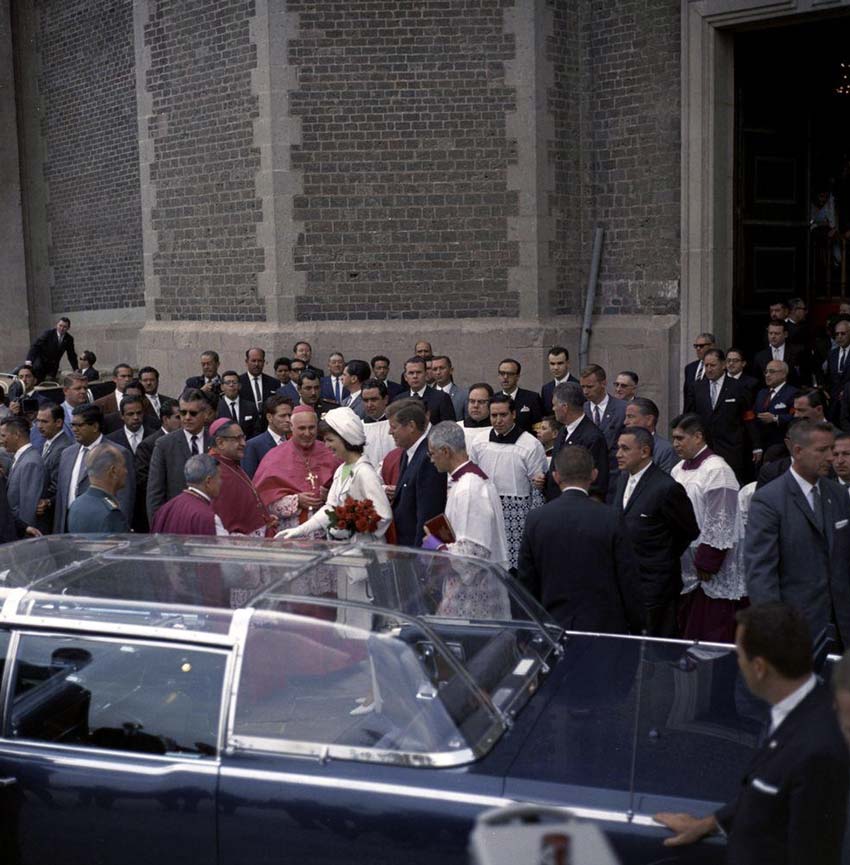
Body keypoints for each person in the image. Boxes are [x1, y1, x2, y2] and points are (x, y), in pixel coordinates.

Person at [655, 602, 849, 865]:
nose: (738, 661)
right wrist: (707, 824)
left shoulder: (818, 750)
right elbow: (767, 794)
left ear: (759, 668)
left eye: (739, 655)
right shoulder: (791, 709)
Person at [745, 419, 850, 650]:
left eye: (832, 450)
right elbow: (761, 574)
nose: (831, 458)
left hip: (842, 629)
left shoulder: (839, 495)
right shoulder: (769, 500)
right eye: (822, 450)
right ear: (798, 451)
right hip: (796, 632)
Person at [518, 445, 644, 634]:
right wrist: (638, 626)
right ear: (593, 475)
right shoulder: (610, 518)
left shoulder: (536, 519)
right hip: (604, 630)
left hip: (554, 628)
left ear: (556, 476)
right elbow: (628, 579)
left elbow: (527, 581)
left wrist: (527, 631)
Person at [614, 427, 699, 636]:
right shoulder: (623, 479)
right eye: (618, 448)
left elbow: (688, 530)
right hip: (626, 581)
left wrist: (659, 556)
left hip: (655, 584)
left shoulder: (666, 487)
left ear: (644, 451)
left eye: (625, 449)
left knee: (656, 647)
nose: (618, 454)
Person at [670, 413, 745, 642]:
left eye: (680, 438)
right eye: (673, 438)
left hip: (708, 567)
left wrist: (707, 560)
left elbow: (721, 519)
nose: (675, 444)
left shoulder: (717, 470)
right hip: (684, 564)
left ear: (698, 437)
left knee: (711, 633)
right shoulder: (678, 469)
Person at [279, 407, 392, 540]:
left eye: (330, 440)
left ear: (346, 439)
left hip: (366, 552)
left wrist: (349, 528)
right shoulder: (342, 469)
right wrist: (301, 529)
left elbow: (384, 515)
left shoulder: (364, 473)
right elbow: (331, 508)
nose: (326, 445)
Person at [469, 395, 547, 570]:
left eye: (503, 415)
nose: (498, 420)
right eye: (493, 415)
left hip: (517, 516)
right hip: (486, 510)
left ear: (513, 414)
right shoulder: (479, 441)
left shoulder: (530, 445)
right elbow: (473, 477)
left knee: (516, 566)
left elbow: (537, 487)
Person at [423, 421, 509, 565]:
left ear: (445, 451)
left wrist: (436, 546)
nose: (431, 460)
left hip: (479, 584)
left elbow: (472, 553)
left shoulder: (469, 487)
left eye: (432, 453)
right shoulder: (465, 481)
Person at [253, 405, 340, 531]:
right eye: (302, 428)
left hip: (327, 530)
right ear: (291, 427)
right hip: (291, 532)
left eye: (311, 428)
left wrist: (330, 496)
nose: (307, 433)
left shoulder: (331, 452)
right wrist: (296, 500)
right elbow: (264, 502)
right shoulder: (274, 457)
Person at [54, 404, 135, 533]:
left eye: (79, 425)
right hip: (70, 527)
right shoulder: (66, 454)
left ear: (95, 426)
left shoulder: (117, 453)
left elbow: (124, 498)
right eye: (72, 425)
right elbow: (61, 497)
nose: (74, 429)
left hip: (102, 527)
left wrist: (120, 532)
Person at [685, 348, 759, 484]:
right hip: (704, 448)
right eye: (706, 365)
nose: (709, 369)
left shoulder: (738, 387)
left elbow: (748, 418)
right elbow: (690, 417)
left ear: (723, 365)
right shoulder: (696, 388)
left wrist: (756, 445)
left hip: (731, 449)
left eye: (712, 365)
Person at [146, 389, 213, 523]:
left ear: (205, 414)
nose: (187, 417)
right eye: (183, 413)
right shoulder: (164, 445)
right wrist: (158, 528)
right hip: (177, 523)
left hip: (212, 520)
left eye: (193, 413)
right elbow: (155, 493)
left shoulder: (216, 441)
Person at [388, 400, 447, 547]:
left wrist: (419, 557)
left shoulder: (428, 458)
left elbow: (428, 514)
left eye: (393, 427)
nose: (390, 432)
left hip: (416, 551)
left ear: (411, 426)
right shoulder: (407, 454)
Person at [544, 381, 608, 501]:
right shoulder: (564, 430)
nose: (553, 408)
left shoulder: (592, 437)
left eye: (554, 405)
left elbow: (597, 483)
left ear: (564, 407)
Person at [208, 419, 273, 537]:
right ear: (220, 442)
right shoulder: (216, 472)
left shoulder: (231, 463)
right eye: (237, 439)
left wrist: (264, 519)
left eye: (243, 437)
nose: (244, 443)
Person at [133, 397, 181, 533]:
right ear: (165, 419)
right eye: (178, 417)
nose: (183, 420)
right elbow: (145, 482)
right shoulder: (150, 444)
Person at [581, 363, 626, 500]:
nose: (585, 391)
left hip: (615, 480)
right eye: (583, 387)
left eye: (590, 386)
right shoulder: (581, 410)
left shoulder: (622, 409)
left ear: (603, 383)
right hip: (588, 483)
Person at [151, 454, 226, 536]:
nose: (221, 482)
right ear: (208, 481)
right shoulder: (208, 519)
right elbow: (223, 547)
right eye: (219, 477)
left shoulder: (164, 509)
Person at [67, 443, 130, 534]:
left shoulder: (76, 505)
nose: (126, 471)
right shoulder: (111, 513)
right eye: (123, 466)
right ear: (113, 471)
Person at [34, 404, 73, 533]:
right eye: (38, 421)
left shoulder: (62, 448)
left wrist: (46, 502)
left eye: (44, 421)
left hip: (51, 516)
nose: (39, 426)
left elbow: (57, 486)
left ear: (59, 422)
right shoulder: (48, 442)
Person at [0, 416, 45, 527]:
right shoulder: (20, 458)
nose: (1, 440)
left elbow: (28, 510)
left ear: (17, 435)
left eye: (3, 436)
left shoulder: (31, 462)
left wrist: (24, 533)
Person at [242, 394, 293, 479]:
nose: (288, 420)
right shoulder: (253, 446)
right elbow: (249, 480)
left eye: (290, 415)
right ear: (269, 417)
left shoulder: (294, 442)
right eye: (282, 416)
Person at [752, 360, 798, 455]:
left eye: (772, 371)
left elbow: (796, 417)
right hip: (762, 446)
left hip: (781, 446)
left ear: (784, 374)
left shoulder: (793, 393)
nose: (767, 375)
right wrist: (757, 446)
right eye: (766, 372)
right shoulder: (761, 393)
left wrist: (775, 418)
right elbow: (754, 418)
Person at [392, 356, 455, 424]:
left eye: (418, 372)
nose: (415, 376)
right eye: (411, 373)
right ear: (405, 377)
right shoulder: (398, 400)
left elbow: (449, 428)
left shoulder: (441, 398)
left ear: (426, 374)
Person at [623, 397, 678, 473]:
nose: (625, 422)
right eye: (626, 417)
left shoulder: (664, 450)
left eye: (631, 417)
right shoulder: (623, 446)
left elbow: (666, 482)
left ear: (649, 420)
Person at [496, 358, 542, 433]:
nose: (505, 377)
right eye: (502, 373)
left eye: (510, 374)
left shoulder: (532, 398)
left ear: (517, 376)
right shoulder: (494, 399)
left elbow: (537, 427)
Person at [753, 321, 805, 386]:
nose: (773, 336)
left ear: (785, 334)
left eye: (777, 333)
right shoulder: (760, 356)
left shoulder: (798, 352)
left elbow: (805, 375)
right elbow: (757, 380)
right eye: (770, 333)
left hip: (793, 392)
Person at [25, 316, 78, 381]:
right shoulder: (48, 334)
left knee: (50, 384)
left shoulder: (69, 339)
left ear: (68, 328)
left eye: (64, 327)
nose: (61, 328)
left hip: (53, 367)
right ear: (56, 325)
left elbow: (71, 355)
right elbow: (36, 346)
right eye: (60, 325)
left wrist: (75, 369)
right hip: (41, 364)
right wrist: (29, 360)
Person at [239, 348, 279, 426]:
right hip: (247, 428)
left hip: (268, 425)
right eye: (253, 361)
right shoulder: (239, 382)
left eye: (260, 361)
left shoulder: (274, 383)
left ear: (264, 362)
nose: (256, 364)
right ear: (246, 362)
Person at [216, 370, 258, 439]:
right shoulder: (216, 408)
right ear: (222, 387)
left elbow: (257, 430)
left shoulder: (251, 406)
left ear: (239, 386)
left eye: (234, 382)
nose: (231, 385)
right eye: (228, 383)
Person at [540, 345, 577, 414]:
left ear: (568, 363)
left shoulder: (578, 386)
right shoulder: (546, 389)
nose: (556, 367)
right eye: (552, 364)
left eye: (560, 363)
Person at [682, 332, 715, 409]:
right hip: (691, 416)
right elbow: (687, 396)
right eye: (696, 346)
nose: (698, 349)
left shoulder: (719, 368)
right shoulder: (690, 368)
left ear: (712, 346)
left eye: (701, 346)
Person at [430, 355, 467, 421]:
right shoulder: (427, 394)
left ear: (451, 370)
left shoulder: (463, 395)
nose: (438, 372)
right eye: (435, 369)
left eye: (442, 368)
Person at [827, 318, 850, 423]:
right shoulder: (832, 354)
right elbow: (829, 377)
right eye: (837, 334)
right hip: (833, 402)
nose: (839, 337)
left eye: (843, 333)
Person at [60, 372, 90, 437]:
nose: (83, 391)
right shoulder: (57, 414)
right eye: (78, 388)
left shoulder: (92, 411)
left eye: (85, 388)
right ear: (65, 391)